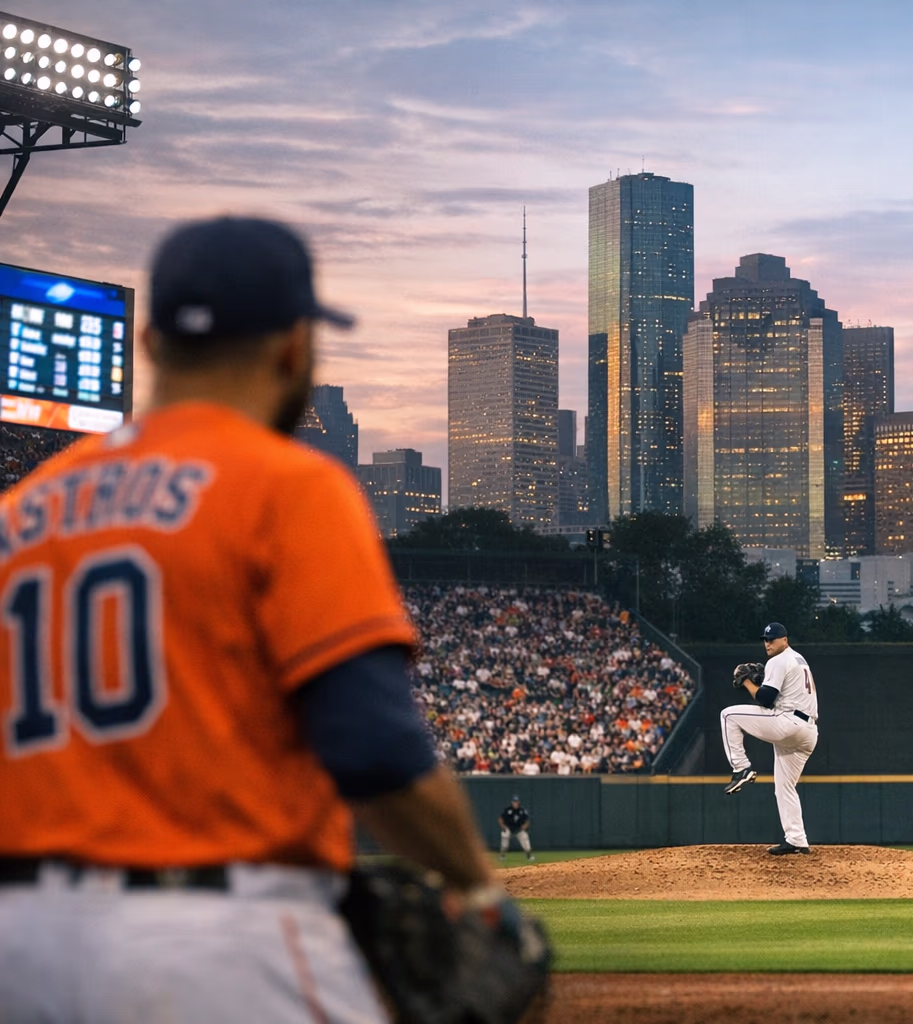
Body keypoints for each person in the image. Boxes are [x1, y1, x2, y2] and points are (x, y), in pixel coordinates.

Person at [0, 217, 544, 1022]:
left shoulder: (21, 514)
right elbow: (374, 749)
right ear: (295, 346)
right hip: (218, 941)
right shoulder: (286, 485)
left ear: (148, 345)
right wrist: (478, 887)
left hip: (20, 949)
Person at [719, 622, 820, 855]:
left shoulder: (778, 659)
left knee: (728, 716)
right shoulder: (798, 659)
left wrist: (746, 682)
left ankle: (741, 768)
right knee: (784, 787)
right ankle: (797, 840)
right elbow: (776, 696)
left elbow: (765, 699)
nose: (767, 643)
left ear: (785, 639)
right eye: (765, 639)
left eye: (772, 639)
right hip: (808, 733)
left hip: (788, 723)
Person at [500, 795, 534, 861]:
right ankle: (502, 856)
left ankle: (529, 856)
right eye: (514, 801)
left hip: (519, 829)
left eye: (516, 801)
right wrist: (503, 827)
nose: (515, 803)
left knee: (526, 844)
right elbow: (500, 819)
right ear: (512, 802)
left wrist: (523, 827)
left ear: (519, 802)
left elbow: (527, 822)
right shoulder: (508, 810)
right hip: (509, 828)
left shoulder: (522, 811)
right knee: (504, 844)